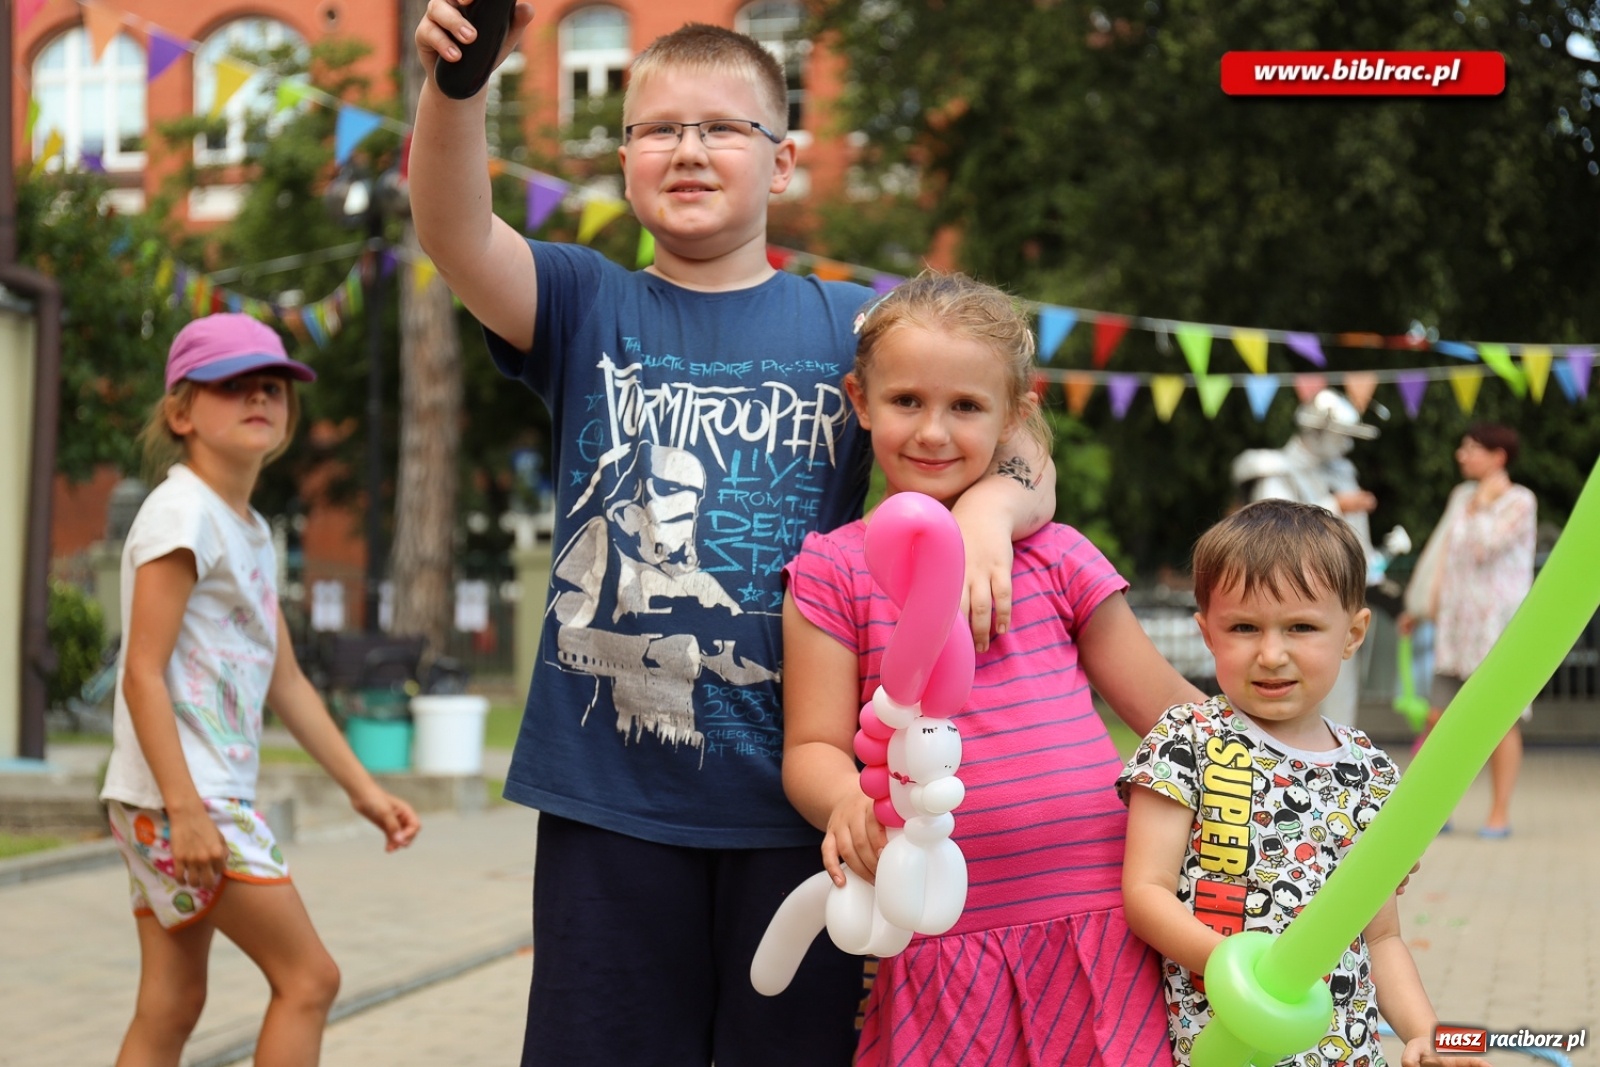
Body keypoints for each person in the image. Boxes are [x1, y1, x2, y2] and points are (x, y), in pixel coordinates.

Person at [408, 14, 1058, 1067]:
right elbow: (452, 230)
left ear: (784, 158)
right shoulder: (583, 303)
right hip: (609, 806)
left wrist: (986, 508)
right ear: (621, 157)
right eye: (657, 129)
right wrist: (459, 88)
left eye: (724, 126)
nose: (689, 149)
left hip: (812, 808)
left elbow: (1017, 433)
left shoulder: (855, 326)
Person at [783, 272, 1206, 1067]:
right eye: (906, 400)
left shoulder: (1055, 554)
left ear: (1016, 414)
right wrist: (844, 800)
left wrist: (1315, 791)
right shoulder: (832, 572)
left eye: (967, 406)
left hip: (1099, 925)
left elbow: (1178, 720)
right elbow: (810, 744)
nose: (934, 431)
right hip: (941, 941)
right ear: (861, 400)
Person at [101, 314, 421, 1067]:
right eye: (232, 385)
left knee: (173, 1002)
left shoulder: (247, 528)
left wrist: (364, 790)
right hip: (185, 798)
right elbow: (141, 671)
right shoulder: (182, 516)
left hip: (188, 796)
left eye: (271, 386)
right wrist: (183, 809)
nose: (258, 398)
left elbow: (286, 680)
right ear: (182, 413)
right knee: (310, 978)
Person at [1119, 499, 1484, 1067]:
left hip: (1345, 1054)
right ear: (1207, 633)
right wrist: (1240, 970)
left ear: (1353, 632)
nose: (1271, 654)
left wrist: (1425, 1031)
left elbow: (1381, 938)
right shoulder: (1187, 740)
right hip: (1224, 1050)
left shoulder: (1369, 773)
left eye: (1301, 627)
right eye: (1243, 627)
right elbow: (1146, 893)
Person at [1399, 423, 1536, 838]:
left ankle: (1499, 812)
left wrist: (1484, 504)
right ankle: (1437, 809)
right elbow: (1446, 555)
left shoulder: (1518, 501)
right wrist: (1422, 606)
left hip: (1497, 629)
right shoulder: (1463, 497)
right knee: (1439, 717)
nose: (1462, 454)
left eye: (1472, 448)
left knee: (1501, 721)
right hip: (1455, 628)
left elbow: (1484, 547)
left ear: (1499, 456)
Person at [1231, 389, 1384, 725]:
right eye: (1338, 436)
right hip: (1287, 596)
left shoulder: (1342, 471)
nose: (1345, 446)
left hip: (1337, 592)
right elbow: (1269, 526)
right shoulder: (1275, 469)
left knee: (1340, 682)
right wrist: (1338, 506)